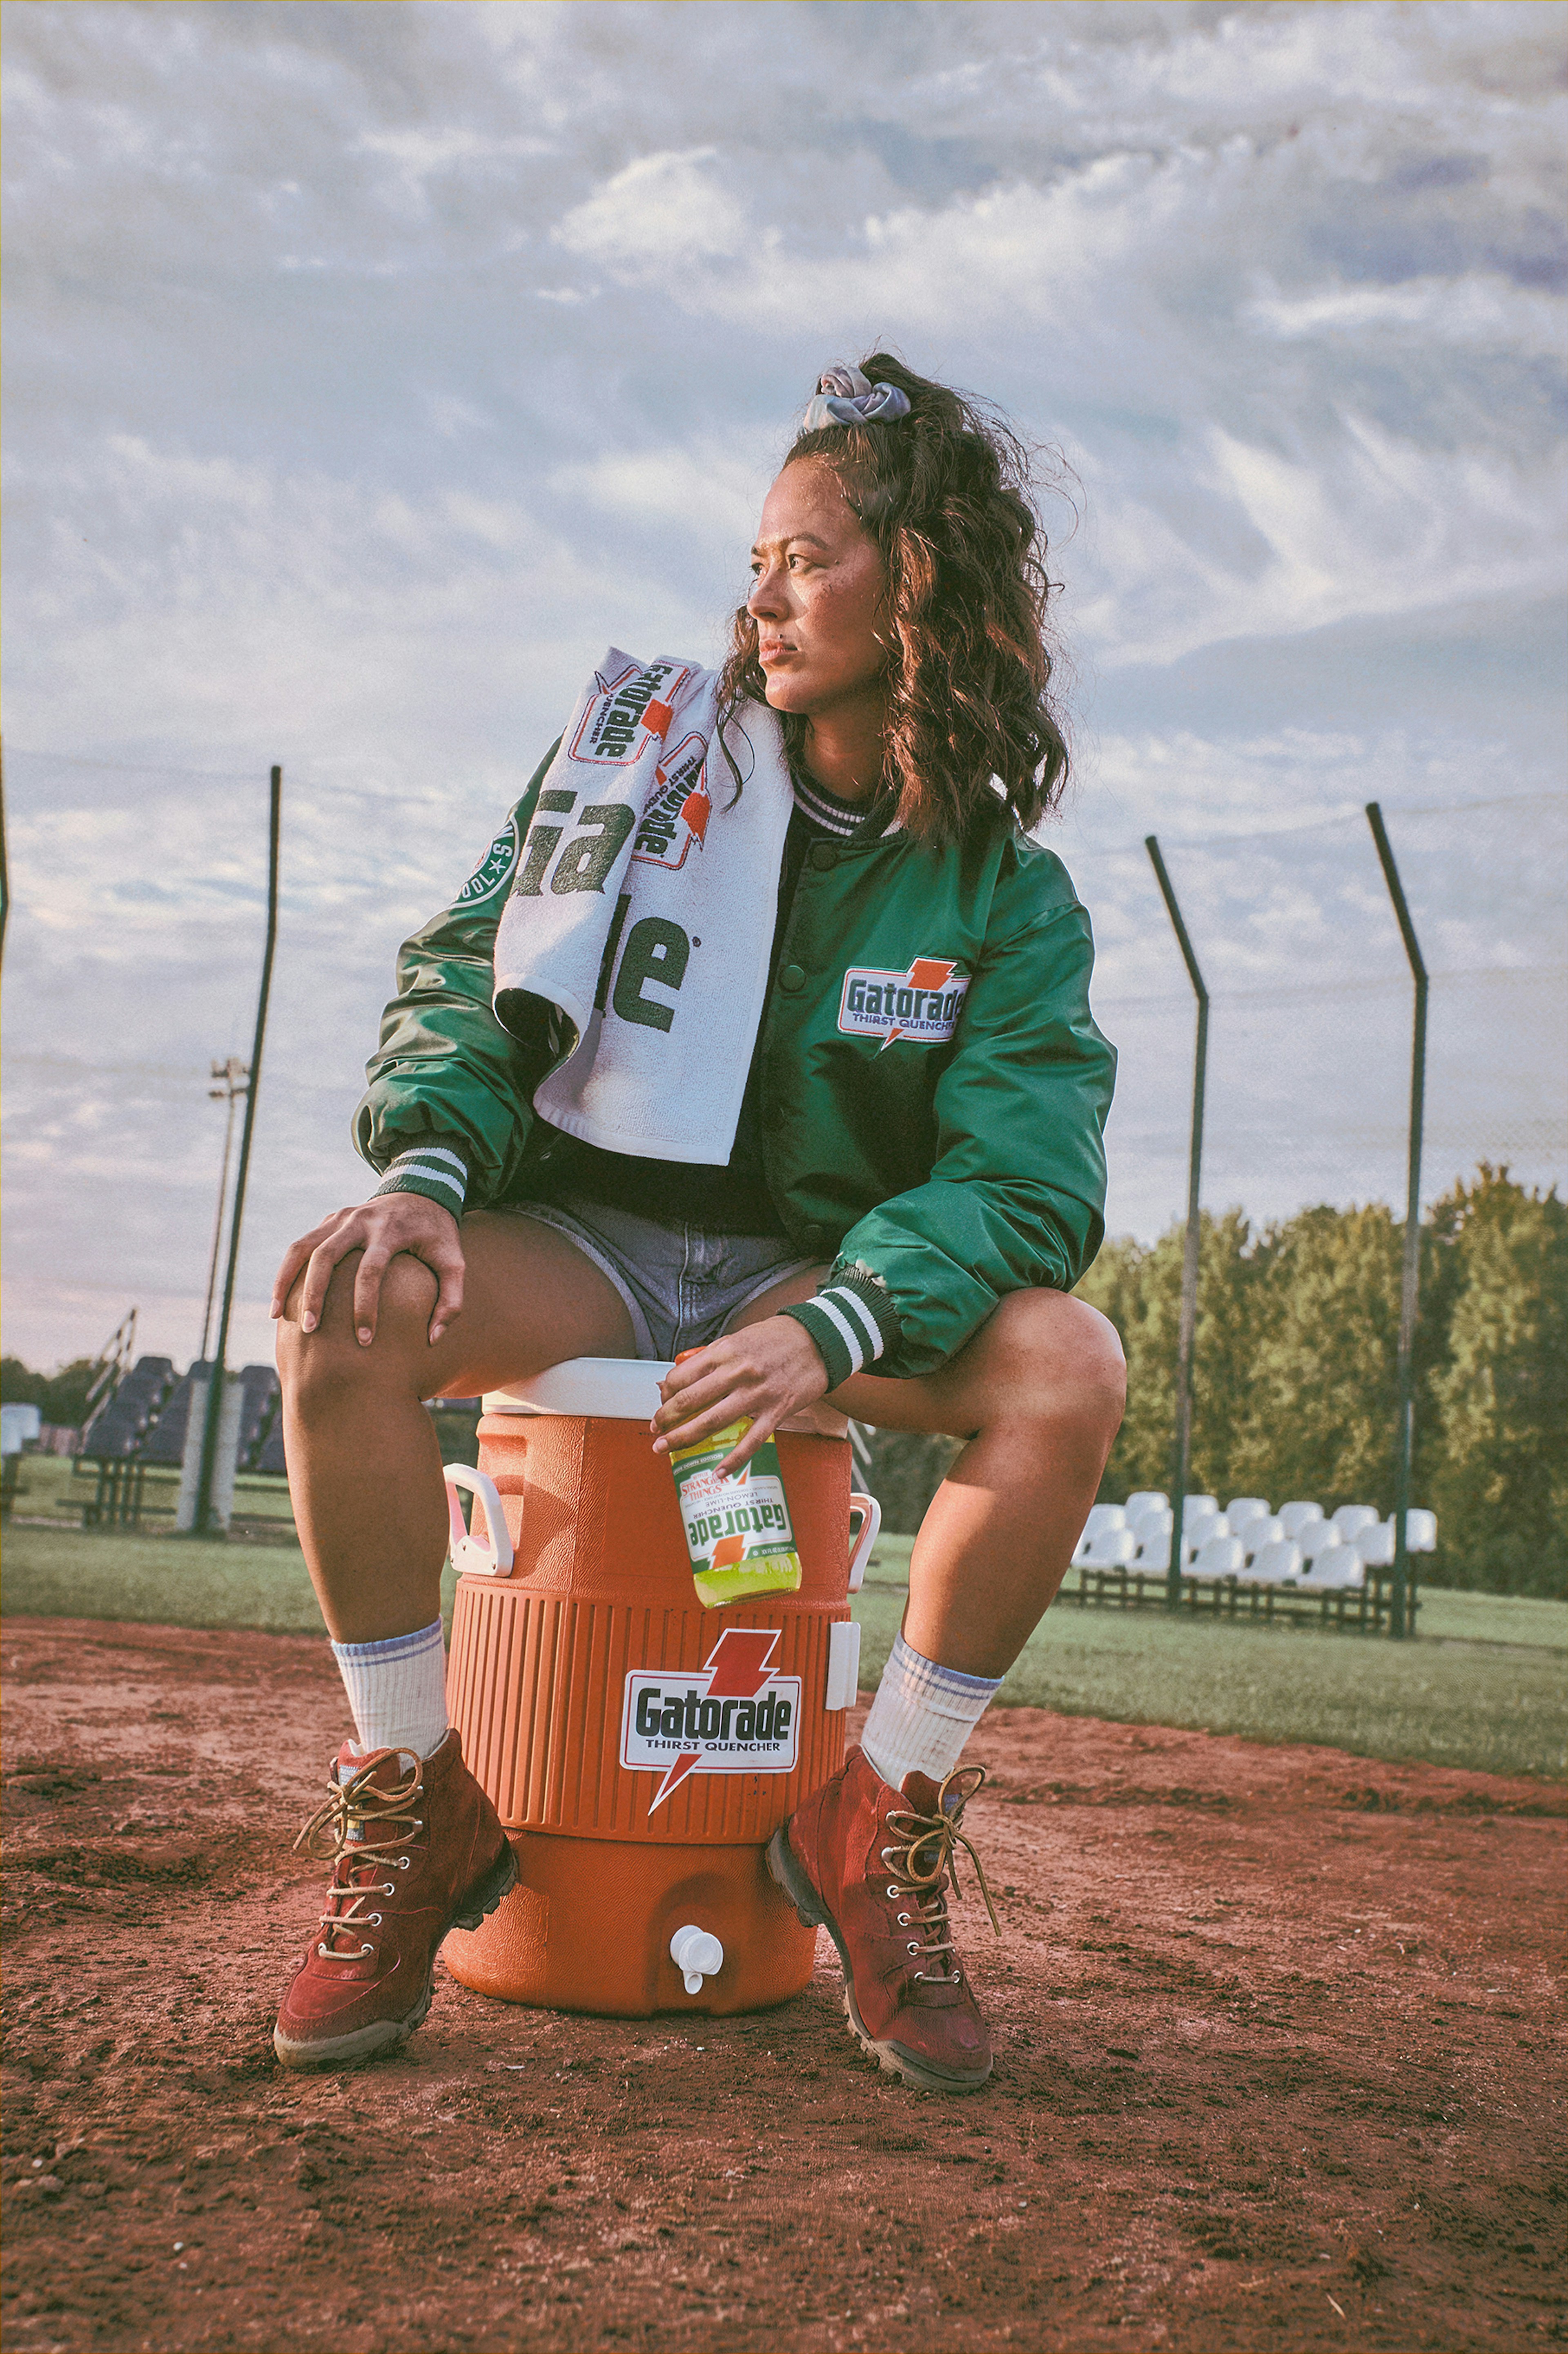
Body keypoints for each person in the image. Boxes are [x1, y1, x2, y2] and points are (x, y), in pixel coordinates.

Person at [269, 355, 1124, 2093]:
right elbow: (473, 965)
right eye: (758, 559)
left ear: (923, 582)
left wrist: (840, 1323)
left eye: (808, 556)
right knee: (338, 1312)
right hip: (584, 1251)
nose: (763, 596)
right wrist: (427, 1172)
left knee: (1069, 1364)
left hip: (809, 1286)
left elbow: (1026, 1181)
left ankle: (874, 1803)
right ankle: (417, 1799)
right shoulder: (650, 754)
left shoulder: (1007, 894)